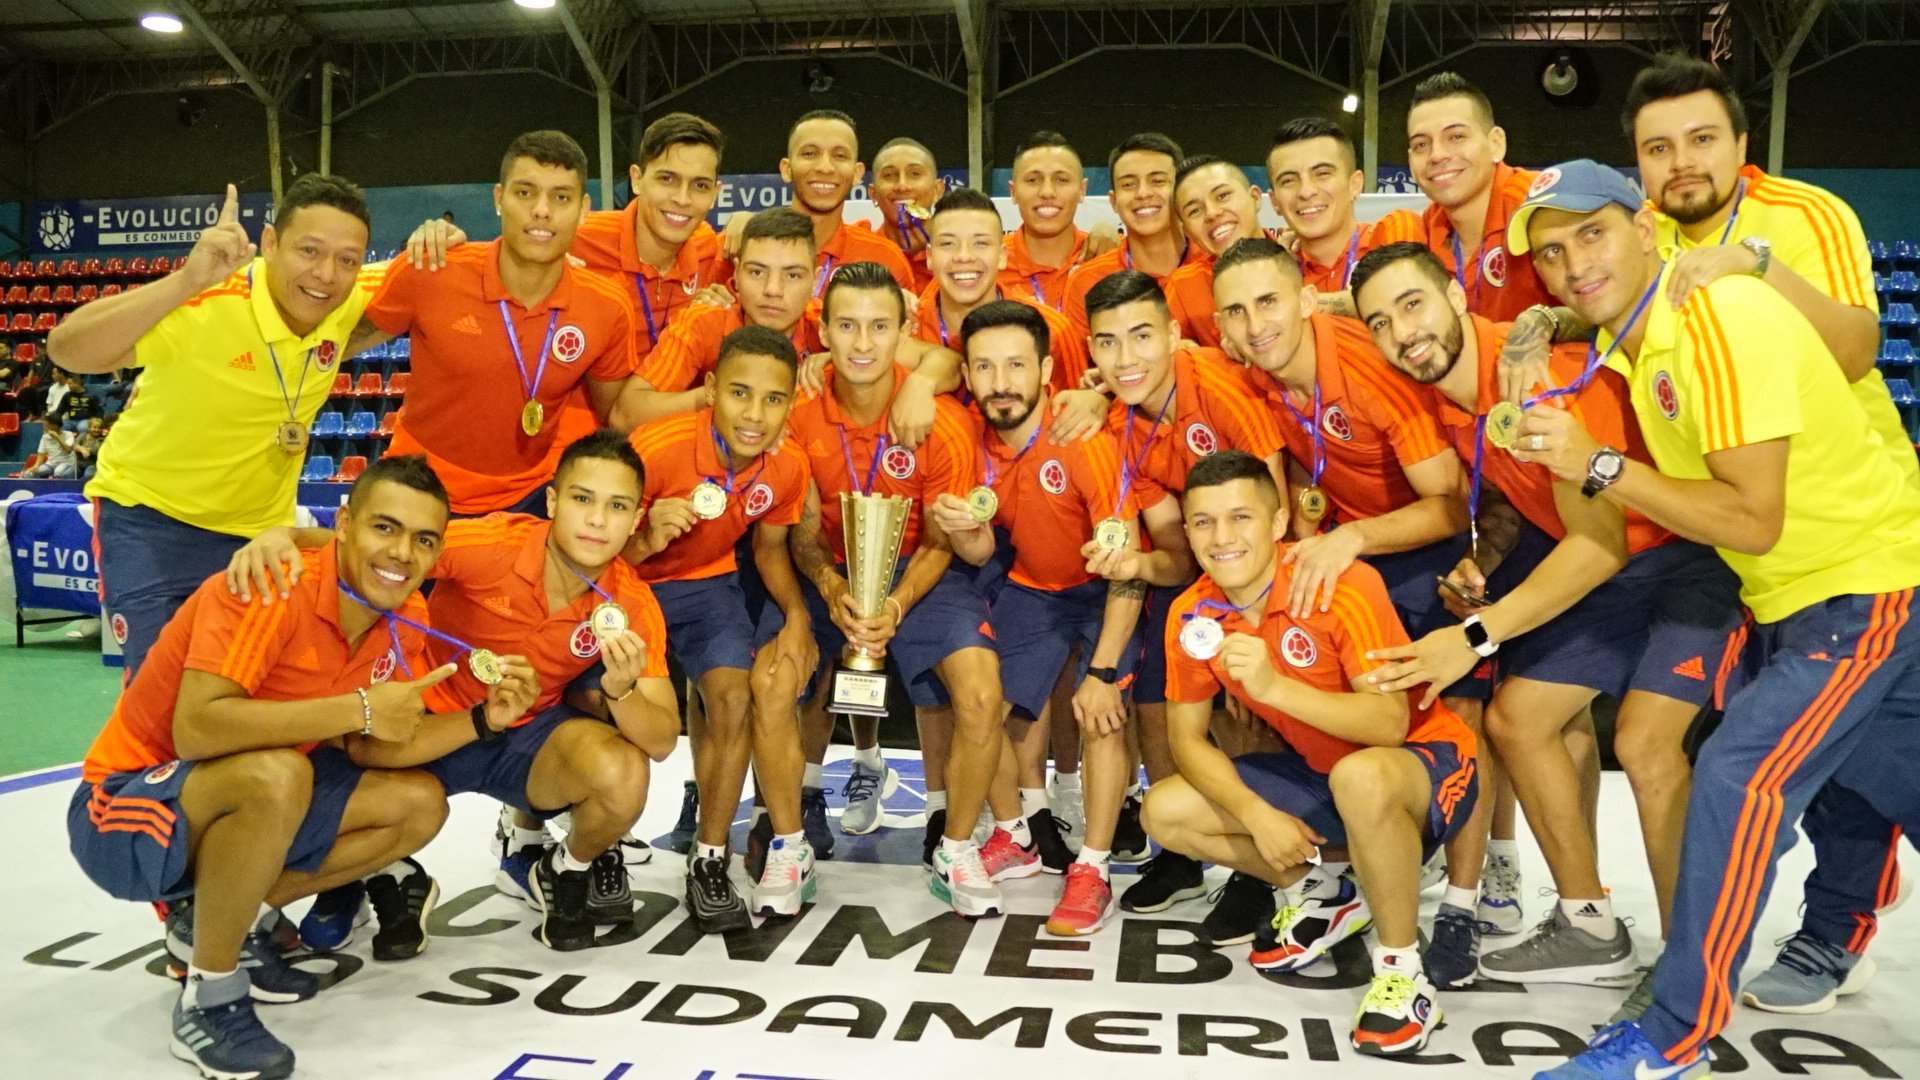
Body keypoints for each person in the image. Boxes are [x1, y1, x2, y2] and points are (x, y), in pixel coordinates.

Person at [1503, 159, 1920, 1080]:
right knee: (1898, 779)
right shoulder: (1648, 340)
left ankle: (1672, 1031)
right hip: (1817, 586)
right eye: (1552, 252)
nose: (1573, 263)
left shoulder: (1718, 319)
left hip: (1859, 584)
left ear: (1649, 226)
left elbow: (1752, 517)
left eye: (1593, 234)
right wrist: (1544, 331)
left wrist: (1602, 464)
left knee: (1737, 779)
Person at [1352, 241, 1742, 1007]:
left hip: (1686, 559)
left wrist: (1472, 635)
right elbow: (1512, 505)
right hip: (1610, 570)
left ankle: (1690, 964)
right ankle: (1589, 922)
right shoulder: (1446, 394)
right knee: (1519, 719)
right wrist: (1483, 565)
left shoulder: (1533, 379)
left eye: (1413, 304)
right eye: (1380, 322)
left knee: (1643, 743)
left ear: (1459, 299)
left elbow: (1595, 547)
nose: (1403, 332)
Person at [65, 456, 534, 1080]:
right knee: (279, 775)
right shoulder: (270, 584)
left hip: (239, 796)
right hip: (124, 807)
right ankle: (209, 996)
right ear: (343, 524)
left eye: (425, 540)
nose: (402, 552)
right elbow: (197, 728)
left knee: (419, 804)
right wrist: (362, 707)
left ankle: (218, 922)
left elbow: (373, 745)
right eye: (384, 528)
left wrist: (485, 721)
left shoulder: (406, 618)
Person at [226, 431, 681, 951]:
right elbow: (385, 556)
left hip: (524, 741)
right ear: (553, 500)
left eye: (617, 506)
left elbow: (664, 738)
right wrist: (285, 536)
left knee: (622, 773)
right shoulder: (494, 544)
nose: (598, 520)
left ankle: (566, 869)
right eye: (582, 499)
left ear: (636, 517)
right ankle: (377, 875)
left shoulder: (630, 603)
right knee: (345, 742)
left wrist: (621, 693)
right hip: (422, 729)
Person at [1143, 449, 1478, 1057]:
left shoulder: (1341, 582)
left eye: (1241, 517)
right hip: (1321, 775)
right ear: (1186, 531)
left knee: (1361, 775)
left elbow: (1388, 722)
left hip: (1426, 763)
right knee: (1163, 811)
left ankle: (1403, 975)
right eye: (1203, 522)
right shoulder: (1192, 613)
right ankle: (1327, 893)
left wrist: (1274, 688)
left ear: (1276, 523)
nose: (1223, 538)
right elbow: (1186, 741)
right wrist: (1257, 816)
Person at [48, 175, 383, 678]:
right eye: (308, 250)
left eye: (347, 259)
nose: (326, 274)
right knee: (160, 695)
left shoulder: (347, 298)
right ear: (269, 242)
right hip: (150, 521)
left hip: (257, 537)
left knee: (242, 693)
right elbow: (66, 349)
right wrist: (186, 280)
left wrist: (439, 238)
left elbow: (442, 278)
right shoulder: (207, 298)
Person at [783, 260, 1026, 915]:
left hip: (920, 571)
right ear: (823, 331)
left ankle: (953, 848)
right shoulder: (801, 414)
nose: (863, 343)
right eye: (848, 326)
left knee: (980, 691)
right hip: (830, 567)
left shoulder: (939, 420)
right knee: (784, 671)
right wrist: (834, 587)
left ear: (905, 332)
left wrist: (893, 603)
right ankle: (793, 829)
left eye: (879, 327)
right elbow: (801, 532)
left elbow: (940, 539)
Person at [1076, 268, 1289, 940]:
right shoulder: (1120, 424)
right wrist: (1137, 563)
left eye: (1142, 336)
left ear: (1174, 335)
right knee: (1157, 707)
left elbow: (1272, 521)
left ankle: (1267, 872)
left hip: (1272, 575)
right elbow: (1173, 551)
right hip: (1202, 578)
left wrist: (1250, 628)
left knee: (1253, 709)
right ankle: (1183, 857)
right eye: (1108, 344)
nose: (1126, 358)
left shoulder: (1222, 394)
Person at [959, 298, 1179, 937]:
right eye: (985, 367)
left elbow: (1127, 565)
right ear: (968, 375)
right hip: (1032, 587)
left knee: (1101, 714)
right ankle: (1020, 833)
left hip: (1107, 588)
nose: (1001, 382)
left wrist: (1104, 671)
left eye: (1016, 366)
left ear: (1048, 369)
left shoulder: (1084, 442)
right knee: (985, 710)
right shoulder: (972, 441)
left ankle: (1093, 866)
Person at [625, 325, 819, 929]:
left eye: (773, 399)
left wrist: (796, 613)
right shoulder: (653, 447)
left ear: (791, 403)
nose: (755, 413)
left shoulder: (787, 466)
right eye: (739, 393)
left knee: (734, 696)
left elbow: (768, 552)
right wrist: (646, 534)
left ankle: (709, 859)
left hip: (708, 588)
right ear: (710, 390)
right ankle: (594, 846)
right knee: (600, 707)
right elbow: (598, 552)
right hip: (631, 586)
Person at [358, 130, 646, 518]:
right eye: (525, 193)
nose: (542, 210)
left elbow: (617, 415)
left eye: (561, 197)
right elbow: (333, 344)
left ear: (583, 209)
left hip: (531, 501)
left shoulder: (607, 306)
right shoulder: (430, 269)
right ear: (498, 199)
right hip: (418, 490)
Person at [913, 187, 1091, 397]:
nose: (963, 256)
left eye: (980, 243)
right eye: (948, 244)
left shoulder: (1053, 329)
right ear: (929, 257)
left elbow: (1076, 411)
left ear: (1002, 256)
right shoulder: (906, 332)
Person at [1264, 117, 1416, 315]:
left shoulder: (1393, 232)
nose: (1306, 191)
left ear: (1355, 184)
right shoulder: (1277, 275)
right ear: (1275, 201)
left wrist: (1286, 304)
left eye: (1322, 173)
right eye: (1288, 180)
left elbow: (1399, 299)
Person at [1062, 133, 1196, 338]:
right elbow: (1079, 367)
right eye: (1128, 184)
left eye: (1158, 181)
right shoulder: (1087, 281)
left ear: (1182, 191)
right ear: (1114, 201)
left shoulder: (1215, 265)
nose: (1143, 193)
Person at [1164, 155, 1269, 349]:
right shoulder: (1184, 287)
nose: (1212, 213)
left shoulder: (1301, 259)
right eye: (1195, 211)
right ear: (1187, 231)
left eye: (1222, 196)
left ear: (1255, 197)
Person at [1002, 131, 1093, 311]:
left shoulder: (1110, 256)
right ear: (1013, 191)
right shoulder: (988, 264)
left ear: (1082, 190)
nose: (1047, 192)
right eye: (1033, 180)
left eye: (1062, 180)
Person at [862, 136, 947, 294]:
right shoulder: (861, 254)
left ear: (938, 190)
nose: (902, 186)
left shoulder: (959, 256)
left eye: (914, 174)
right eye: (889, 175)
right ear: (873, 194)